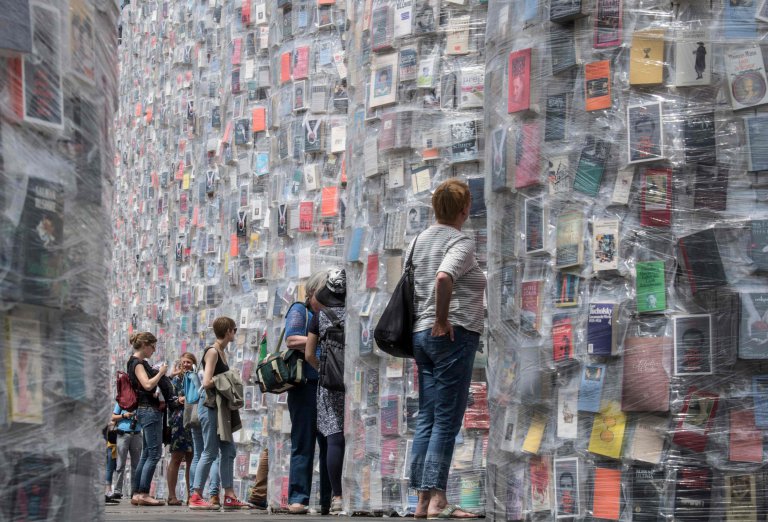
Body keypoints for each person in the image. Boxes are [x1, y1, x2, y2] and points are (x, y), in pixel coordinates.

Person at [406, 179, 486, 519]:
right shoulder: (460, 242)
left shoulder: (418, 240)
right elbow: (443, 278)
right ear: (464, 209)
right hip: (451, 337)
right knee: (446, 421)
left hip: (420, 337)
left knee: (427, 416)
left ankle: (422, 501)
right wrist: (442, 319)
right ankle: (438, 498)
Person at [277, 271, 333, 515]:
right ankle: (298, 498)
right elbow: (291, 340)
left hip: (328, 384)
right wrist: (319, 339)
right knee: (304, 442)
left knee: (329, 442)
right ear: (315, 291)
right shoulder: (300, 309)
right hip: (305, 385)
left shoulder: (330, 312)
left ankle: (327, 500)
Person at [189, 317, 249, 510]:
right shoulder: (213, 352)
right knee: (210, 451)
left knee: (229, 450)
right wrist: (227, 377)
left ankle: (229, 495)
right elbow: (206, 382)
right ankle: (196, 495)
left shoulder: (221, 352)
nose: (235, 333)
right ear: (229, 331)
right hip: (209, 407)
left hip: (219, 409)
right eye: (235, 329)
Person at [304, 268, 347, 515]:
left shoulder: (319, 317)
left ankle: (337, 496)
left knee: (334, 437)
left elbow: (309, 354)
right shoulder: (357, 312)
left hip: (329, 384)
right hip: (357, 382)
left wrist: (325, 370)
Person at [127, 331, 182, 507]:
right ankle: (143, 493)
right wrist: (161, 372)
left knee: (146, 454)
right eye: (152, 346)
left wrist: (169, 375)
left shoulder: (135, 362)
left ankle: (137, 493)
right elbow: (148, 384)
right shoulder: (138, 363)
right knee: (154, 453)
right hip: (149, 410)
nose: (154, 350)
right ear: (144, 345)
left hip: (145, 410)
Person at [166, 353, 197, 505]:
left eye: (189, 362)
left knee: (192, 458)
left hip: (192, 420)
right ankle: (172, 496)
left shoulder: (195, 379)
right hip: (178, 421)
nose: (186, 365)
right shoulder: (174, 380)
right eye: (184, 362)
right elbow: (168, 400)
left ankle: (192, 495)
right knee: (176, 457)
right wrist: (181, 399)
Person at [110, 401, 142, 501]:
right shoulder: (121, 401)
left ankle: (134, 491)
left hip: (136, 434)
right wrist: (124, 415)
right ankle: (117, 491)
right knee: (120, 464)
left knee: (136, 465)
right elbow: (113, 417)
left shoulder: (140, 401)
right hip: (122, 434)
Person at [103, 424, 119, 504]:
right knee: (109, 468)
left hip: (114, 445)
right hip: (110, 446)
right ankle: (108, 490)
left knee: (112, 468)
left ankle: (108, 491)